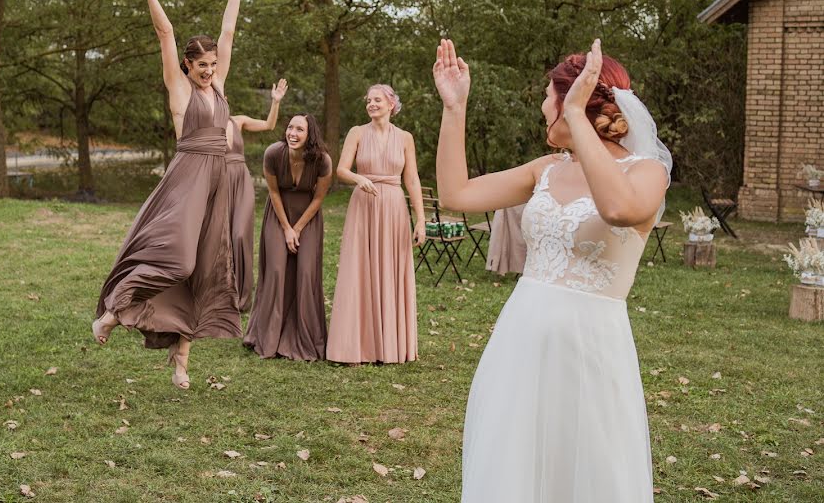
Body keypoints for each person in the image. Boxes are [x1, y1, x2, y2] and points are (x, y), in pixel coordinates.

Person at [433, 38, 671, 502]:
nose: (543, 106)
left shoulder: (647, 173)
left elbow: (619, 209)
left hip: (590, 350)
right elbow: (456, 195)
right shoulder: (545, 169)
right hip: (519, 340)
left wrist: (578, 117)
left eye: (549, 96)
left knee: (585, 470)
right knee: (513, 466)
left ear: (574, 102)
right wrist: (454, 108)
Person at [92, 0, 258, 390]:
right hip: (187, 183)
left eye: (213, 65)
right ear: (188, 65)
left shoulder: (218, 87)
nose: (208, 70)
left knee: (205, 271)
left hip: (218, 186)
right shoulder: (181, 91)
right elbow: (164, 32)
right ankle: (116, 308)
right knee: (178, 260)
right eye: (201, 65)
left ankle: (181, 359)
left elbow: (228, 31)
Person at [326, 85, 425, 364]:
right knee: (360, 269)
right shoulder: (357, 132)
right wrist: (359, 178)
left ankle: (391, 345)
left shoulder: (405, 138)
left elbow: (412, 179)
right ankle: (357, 345)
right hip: (364, 205)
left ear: (391, 104)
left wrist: (420, 219)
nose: (371, 104)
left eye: (377, 100)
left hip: (393, 206)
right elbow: (342, 169)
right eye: (368, 100)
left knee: (392, 269)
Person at [243, 114, 332, 360]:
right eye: (290, 128)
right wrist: (286, 228)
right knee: (276, 271)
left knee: (305, 272)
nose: (292, 133)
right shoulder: (273, 153)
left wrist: (299, 228)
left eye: (299, 129)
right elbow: (273, 191)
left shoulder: (323, 160)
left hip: (308, 217)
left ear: (310, 135)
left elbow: (318, 198)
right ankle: (268, 337)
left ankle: (304, 337)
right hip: (278, 214)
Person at [227, 78, 289, 312]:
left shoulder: (238, 121)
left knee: (241, 236)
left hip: (241, 181)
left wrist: (275, 102)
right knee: (220, 239)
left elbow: (268, 125)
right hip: (216, 183)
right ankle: (218, 294)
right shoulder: (203, 127)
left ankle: (241, 297)